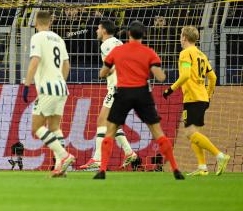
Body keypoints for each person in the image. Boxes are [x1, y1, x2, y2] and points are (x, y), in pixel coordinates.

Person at [94, 21, 184, 180]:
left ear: (129, 34)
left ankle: (101, 170)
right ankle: (176, 169)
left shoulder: (119, 51)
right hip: (143, 93)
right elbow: (161, 77)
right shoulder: (149, 52)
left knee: (110, 130)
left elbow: (103, 73)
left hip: (123, 93)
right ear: (144, 35)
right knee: (158, 132)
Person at [162, 26, 231, 176]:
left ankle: (220, 156)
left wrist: (170, 90)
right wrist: (208, 94)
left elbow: (185, 75)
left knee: (190, 133)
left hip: (192, 98)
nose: (180, 38)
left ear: (184, 38)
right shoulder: (201, 55)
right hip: (202, 98)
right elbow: (213, 78)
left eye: (181, 36)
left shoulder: (185, 53)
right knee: (195, 133)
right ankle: (202, 167)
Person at [21, 10, 75, 177]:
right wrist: (60, 81)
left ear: (36, 23)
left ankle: (65, 156)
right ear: (50, 23)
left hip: (48, 88)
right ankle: (60, 166)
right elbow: (67, 66)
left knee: (37, 127)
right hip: (61, 87)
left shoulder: (37, 37)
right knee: (54, 127)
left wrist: (27, 84)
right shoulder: (58, 38)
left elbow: (35, 60)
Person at [80, 20, 138, 170]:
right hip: (125, 86)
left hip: (117, 88)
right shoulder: (118, 42)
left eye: (98, 28)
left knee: (101, 121)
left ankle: (97, 159)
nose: (96, 31)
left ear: (104, 30)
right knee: (112, 124)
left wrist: (106, 72)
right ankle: (129, 152)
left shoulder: (106, 45)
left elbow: (114, 64)